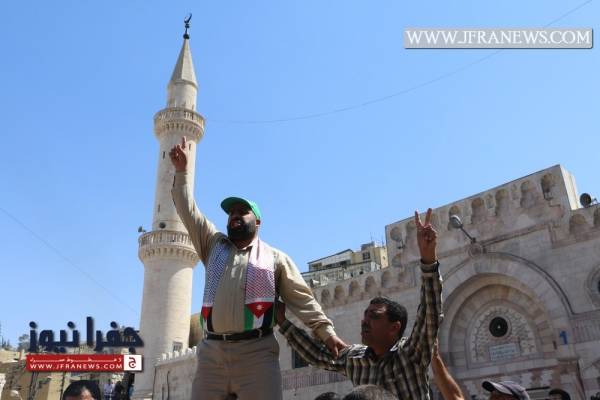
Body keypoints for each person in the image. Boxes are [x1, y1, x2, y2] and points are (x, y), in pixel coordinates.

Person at [169, 137, 347, 400]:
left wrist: (327, 333)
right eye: (231, 213)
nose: (235, 215)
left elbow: (303, 299)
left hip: (257, 354)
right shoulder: (213, 245)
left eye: (243, 211)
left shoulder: (275, 258)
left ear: (258, 221)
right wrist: (182, 172)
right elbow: (188, 211)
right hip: (211, 355)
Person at [276, 209, 442, 399]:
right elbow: (317, 355)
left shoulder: (410, 354)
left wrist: (428, 259)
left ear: (394, 327)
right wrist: (283, 322)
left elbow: (429, 314)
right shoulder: (357, 359)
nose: (364, 321)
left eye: (374, 316)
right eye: (365, 315)